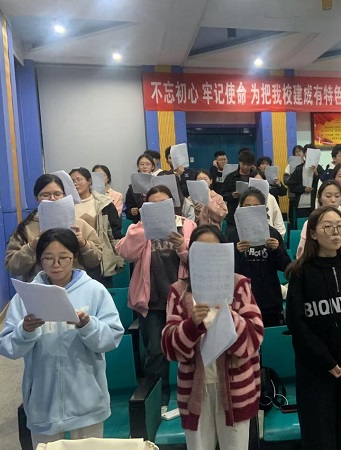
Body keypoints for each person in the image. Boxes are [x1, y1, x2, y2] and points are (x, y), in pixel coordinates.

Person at [0, 228, 124, 449]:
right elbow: (7, 347)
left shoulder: (94, 291)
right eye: (48, 258)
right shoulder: (26, 296)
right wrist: (25, 330)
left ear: (74, 257)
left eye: (63, 258)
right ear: (39, 260)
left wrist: (87, 325)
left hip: (87, 401)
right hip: (43, 402)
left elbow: (111, 338)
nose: (56, 264)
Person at [161, 224, 264, 450]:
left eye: (214, 250)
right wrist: (191, 325)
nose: (208, 257)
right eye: (200, 251)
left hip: (236, 390)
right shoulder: (179, 291)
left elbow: (255, 337)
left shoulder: (239, 285)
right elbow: (169, 346)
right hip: (195, 391)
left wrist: (230, 317)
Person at [286, 206, 341, 450]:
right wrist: (325, 360)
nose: (335, 233)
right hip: (315, 369)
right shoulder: (300, 273)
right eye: (327, 227)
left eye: (339, 227)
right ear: (313, 233)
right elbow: (297, 323)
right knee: (319, 437)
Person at [116, 184, 196, 409]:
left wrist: (182, 246)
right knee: (155, 351)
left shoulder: (187, 225)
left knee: (189, 347)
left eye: (163, 203)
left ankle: (190, 395)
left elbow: (200, 259)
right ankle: (157, 400)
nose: (159, 207)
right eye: (153, 205)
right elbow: (125, 253)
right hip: (151, 301)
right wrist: (144, 227)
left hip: (182, 300)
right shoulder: (139, 228)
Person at [5, 174, 103, 282]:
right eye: (45, 195)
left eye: (57, 194)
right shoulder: (26, 228)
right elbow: (13, 267)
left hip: (74, 287)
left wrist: (83, 244)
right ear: (37, 198)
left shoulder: (80, 225)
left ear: (64, 195)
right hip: (38, 287)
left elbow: (96, 260)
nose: (52, 198)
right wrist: (32, 246)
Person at [228, 188, 291, 327]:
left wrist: (276, 250)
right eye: (247, 207)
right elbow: (227, 271)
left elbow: (286, 266)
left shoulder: (273, 234)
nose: (251, 211)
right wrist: (237, 252)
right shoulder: (233, 235)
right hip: (242, 302)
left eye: (256, 207)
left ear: (264, 210)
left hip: (270, 300)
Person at [297, 180, 341, 270]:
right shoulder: (311, 222)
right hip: (318, 269)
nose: (333, 200)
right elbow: (302, 254)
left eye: (337, 196)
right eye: (328, 196)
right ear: (320, 198)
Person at [70, 167, 123, 286]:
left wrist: (119, 259)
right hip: (74, 259)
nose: (75, 183)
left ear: (89, 181)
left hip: (101, 258)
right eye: (72, 181)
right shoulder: (67, 205)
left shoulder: (104, 203)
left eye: (79, 179)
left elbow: (115, 232)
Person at [221, 148, 258, 236]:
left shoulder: (256, 176)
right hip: (233, 216)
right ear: (239, 162)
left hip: (253, 215)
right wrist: (232, 195)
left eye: (248, 165)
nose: (245, 167)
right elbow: (223, 194)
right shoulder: (231, 177)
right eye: (243, 164)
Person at [287, 145, 324, 223]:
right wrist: (303, 189)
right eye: (309, 152)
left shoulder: (319, 169)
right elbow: (292, 186)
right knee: (302, 225)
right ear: (304, 154)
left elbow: (324, 184)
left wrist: (316, 174)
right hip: (301, 205)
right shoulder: (298, 169)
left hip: (315, 205)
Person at [125, 153, 156, 223]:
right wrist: (131, 211)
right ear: (138, 167)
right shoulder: (132, 188)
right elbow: (127, 209)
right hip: (139, 222)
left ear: (152, 167)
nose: (145, 167)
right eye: (142, 164)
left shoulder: (158, 183)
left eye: (148, 164)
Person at [283, 144, 305, 225]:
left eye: (301, 151)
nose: (299, 153)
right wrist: (294, 175)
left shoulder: (307, 165)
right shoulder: (289, 166)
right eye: (296, 152)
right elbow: (286, 181)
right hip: (293, 196)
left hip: (306, 195)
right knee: (293, 218)